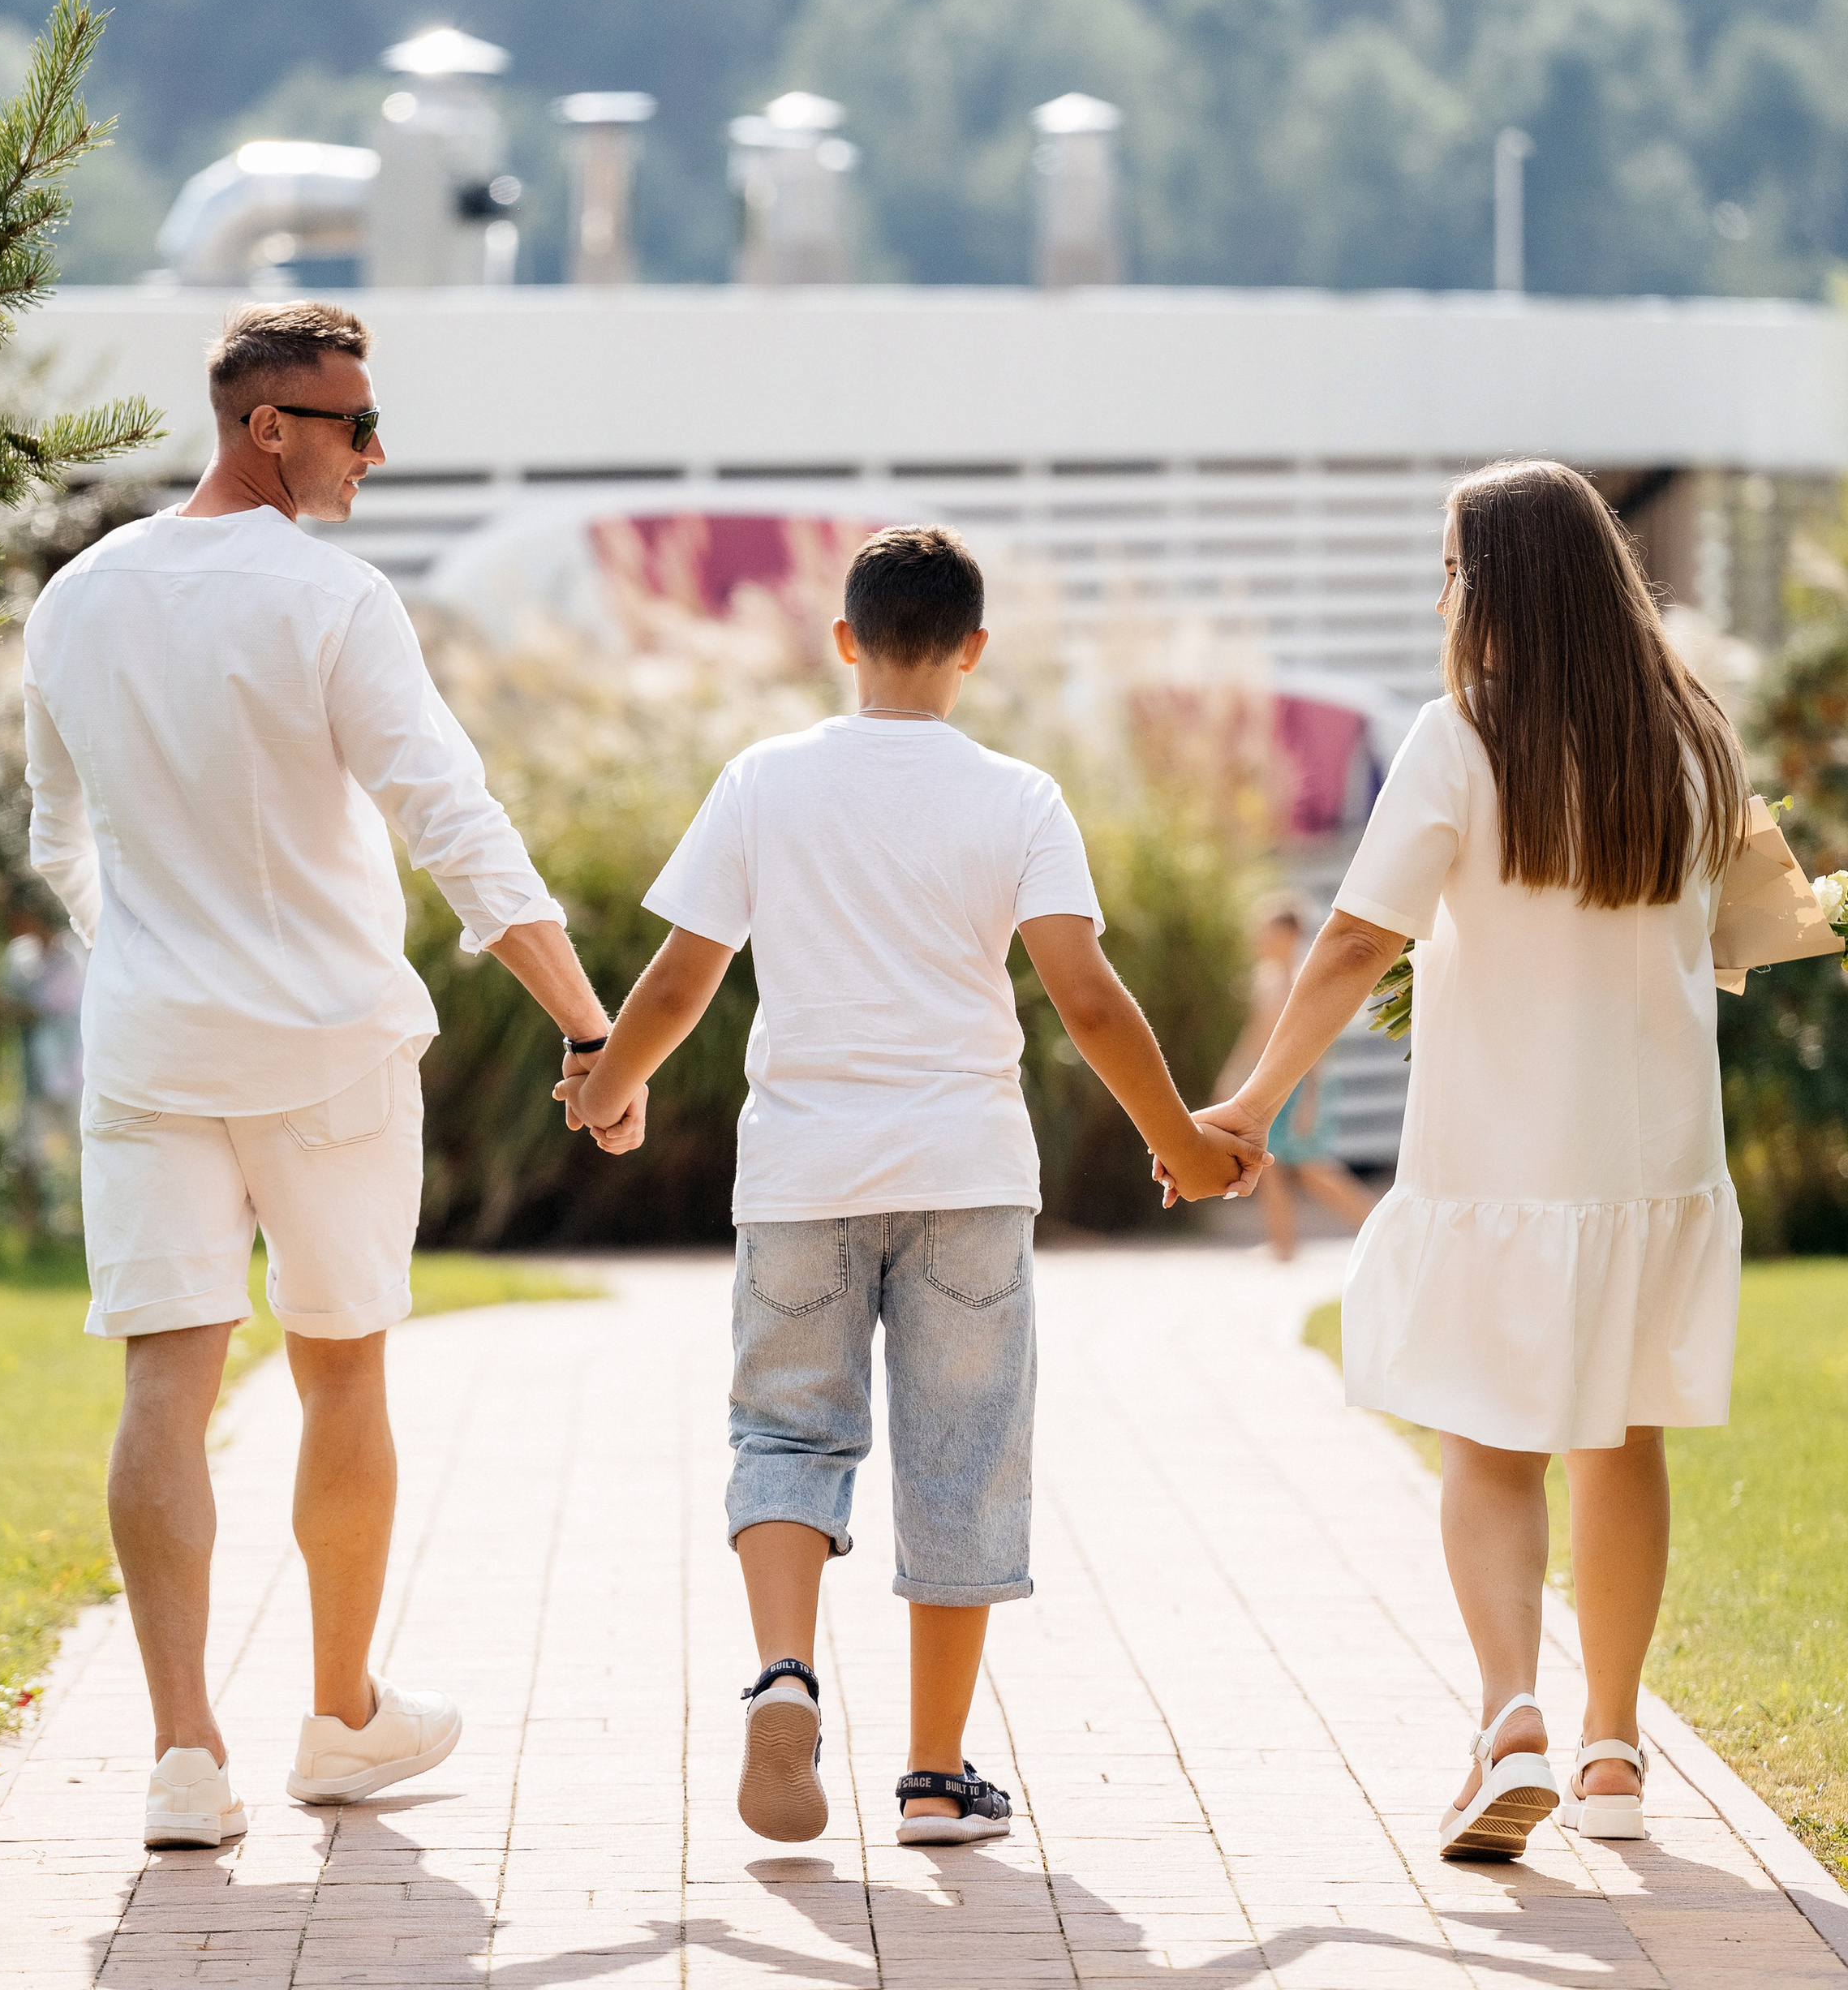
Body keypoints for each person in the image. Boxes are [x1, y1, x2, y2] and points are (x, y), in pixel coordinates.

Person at [23, 301, 643, 1852]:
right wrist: (590, 1029)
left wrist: (148, 950)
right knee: (341, 1365)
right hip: (330, 1049)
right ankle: (342, 1719)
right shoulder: (332, 598)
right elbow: (451, 817)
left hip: (154, 1047)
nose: (377, 450)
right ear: (266, 429)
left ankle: (184, 1758)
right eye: (355, 424)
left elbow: (58, 840)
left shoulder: (75, 600)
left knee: (164, 1381)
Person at [560, 526, 1263, 1849]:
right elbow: (1090, 1002)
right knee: (962, 1465)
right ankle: (936, 1779)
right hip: (966, 1174)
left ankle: (783, 1672)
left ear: (845, 642)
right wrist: (1178, 1139)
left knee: (784, 1434)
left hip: (799, 1175)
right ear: (974, 653)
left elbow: (677, 983)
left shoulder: (764, 781)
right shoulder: (1019, 796)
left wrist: (605, 1088)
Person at [1188, 460, 1746, 1860]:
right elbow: (1737, 934)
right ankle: (1614, 1750)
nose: (1440, 593)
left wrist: (1251, 1104)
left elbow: (1359, 939)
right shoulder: (1692, 739)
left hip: (1503, 1160)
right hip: (1655, 1164)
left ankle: (1511, 1720)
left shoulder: (1462, 738)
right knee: (1623, 1442)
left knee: (1487, 1441)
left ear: (1487, 587)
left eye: (1449, 566)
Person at [1211, 890, 1377, 1259]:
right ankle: (1282, 1246)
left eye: (1266, 931)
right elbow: (1253, 1040)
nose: (1259, 939)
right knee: (1265, 1161)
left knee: (1312, 1168)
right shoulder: (1265, 982)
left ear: (1287, 935)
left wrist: (1310, 1102)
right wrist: (1230, 1079)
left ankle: (1378, 1230)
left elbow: (1319, 1048)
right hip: (1272, 1084)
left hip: (1304, 1085)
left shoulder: (1304, 981)